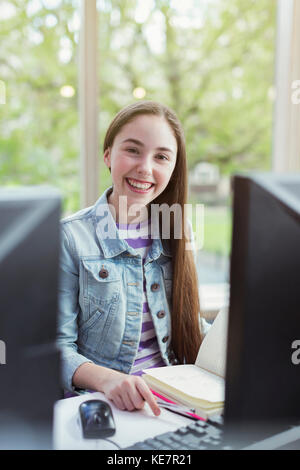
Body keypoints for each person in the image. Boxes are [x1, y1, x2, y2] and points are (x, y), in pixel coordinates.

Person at [57, 100, 207, 417]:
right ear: (108, 155)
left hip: (177, 399)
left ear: (173, 168)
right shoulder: (70, 238)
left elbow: (190, 324)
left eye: (161, 157)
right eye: (133, 150)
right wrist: (110, 381)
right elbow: (56, 349)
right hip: (105, 404)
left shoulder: (178, 229)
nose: (145, 168)